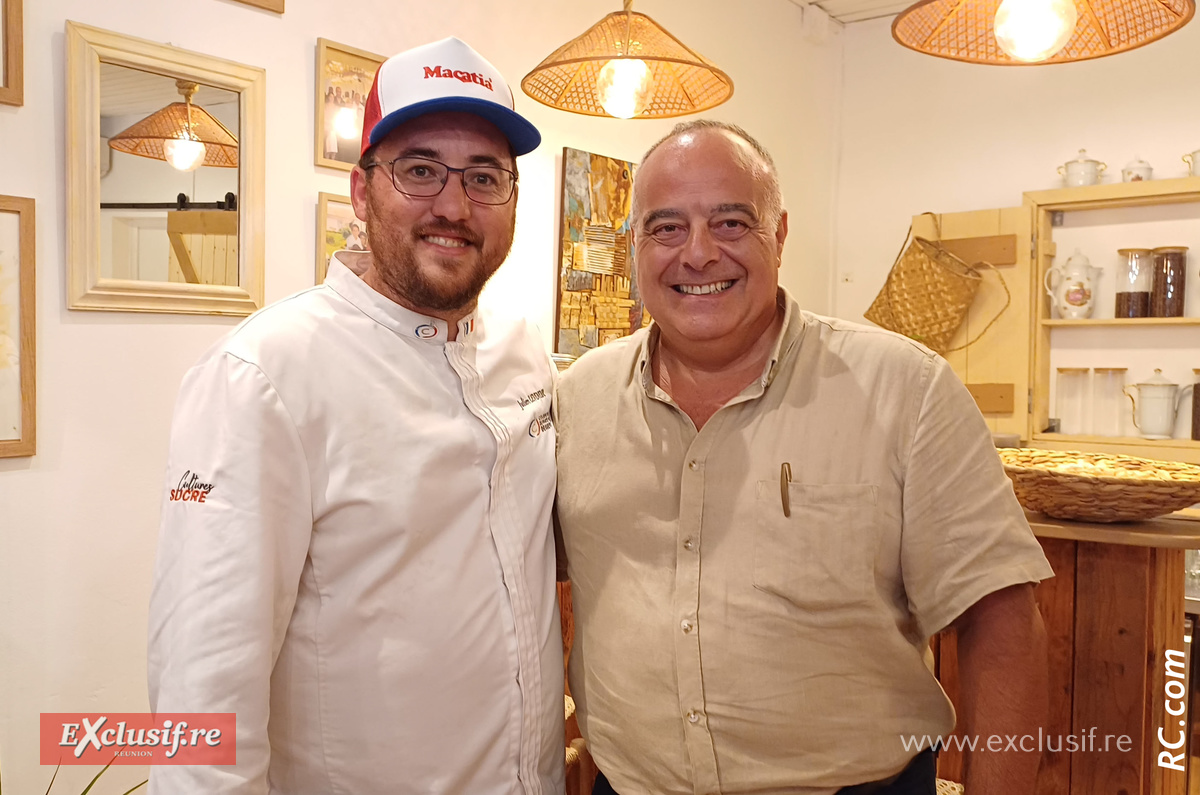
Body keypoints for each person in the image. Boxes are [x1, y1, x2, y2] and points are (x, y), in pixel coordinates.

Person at [554, 120, 1054, 795]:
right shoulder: (577, 398)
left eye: (730, 223)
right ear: (634, 243)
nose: (698, 254)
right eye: (666, 227)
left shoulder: (906, 389)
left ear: (779, 235)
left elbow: (1001, 623)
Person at [148, 37, 563, 795]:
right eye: (420, 169)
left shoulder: (524, 353)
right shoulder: (264, 375)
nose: (453, 204)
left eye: (484, 176)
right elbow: (199, 687)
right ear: (361, 191)